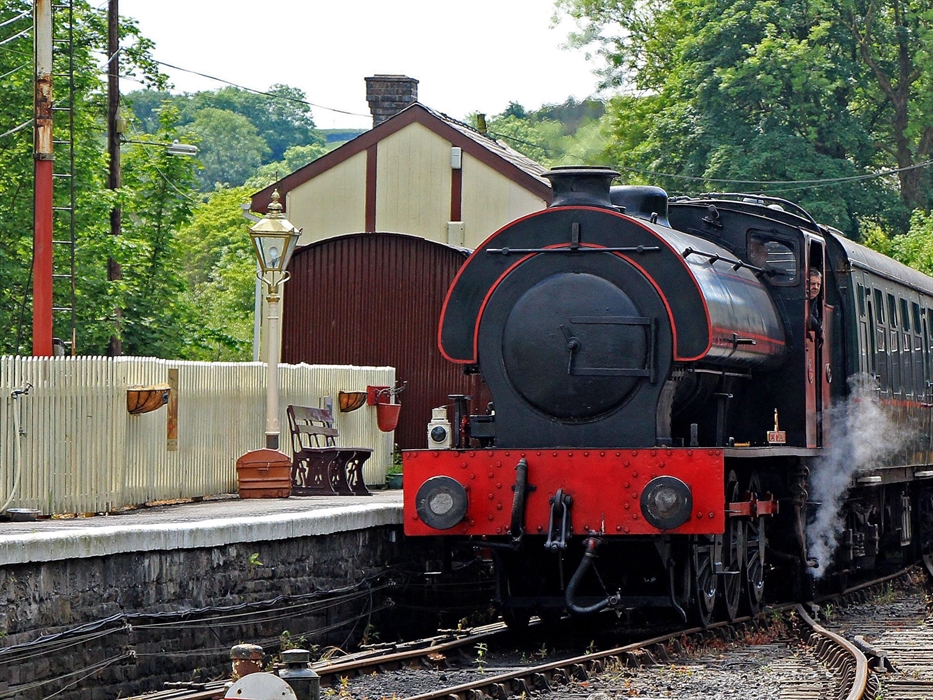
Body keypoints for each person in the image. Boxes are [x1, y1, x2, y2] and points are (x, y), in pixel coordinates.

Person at [807, 268, 823, 342]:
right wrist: (820, 331)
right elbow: (807, 315)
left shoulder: (814, 299)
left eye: (818, 284)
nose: (816, 287)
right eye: (812, 284)